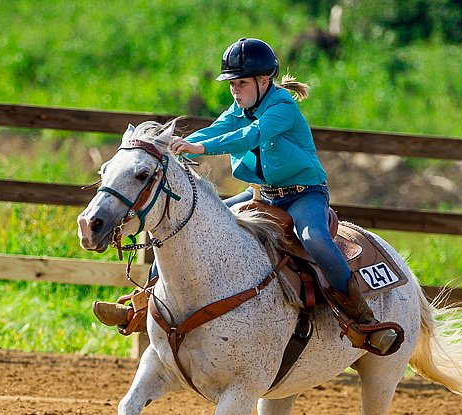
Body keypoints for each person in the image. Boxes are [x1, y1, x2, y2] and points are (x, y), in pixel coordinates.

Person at [93, 37, 397, 354]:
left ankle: (363, 319)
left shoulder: (282, 108)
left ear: (263, 81)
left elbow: (249, 136)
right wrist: (176, 144)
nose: (234, 90)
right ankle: (142, 307)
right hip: (264, 196)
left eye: (240, 83)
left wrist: (201, 149)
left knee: (315, 238)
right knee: (188, 226)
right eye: (232, 84)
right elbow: (214, 129)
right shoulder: (240, 107)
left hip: (305, 196)